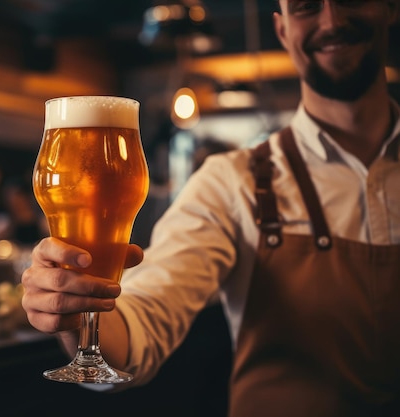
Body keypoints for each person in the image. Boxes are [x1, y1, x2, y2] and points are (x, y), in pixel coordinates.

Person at [20, 0, 400, 416]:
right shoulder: (231, 182)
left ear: (390, 9)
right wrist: (78, 320)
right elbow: (144, 323)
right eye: (307, 6)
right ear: (282, 29)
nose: (332, 20)